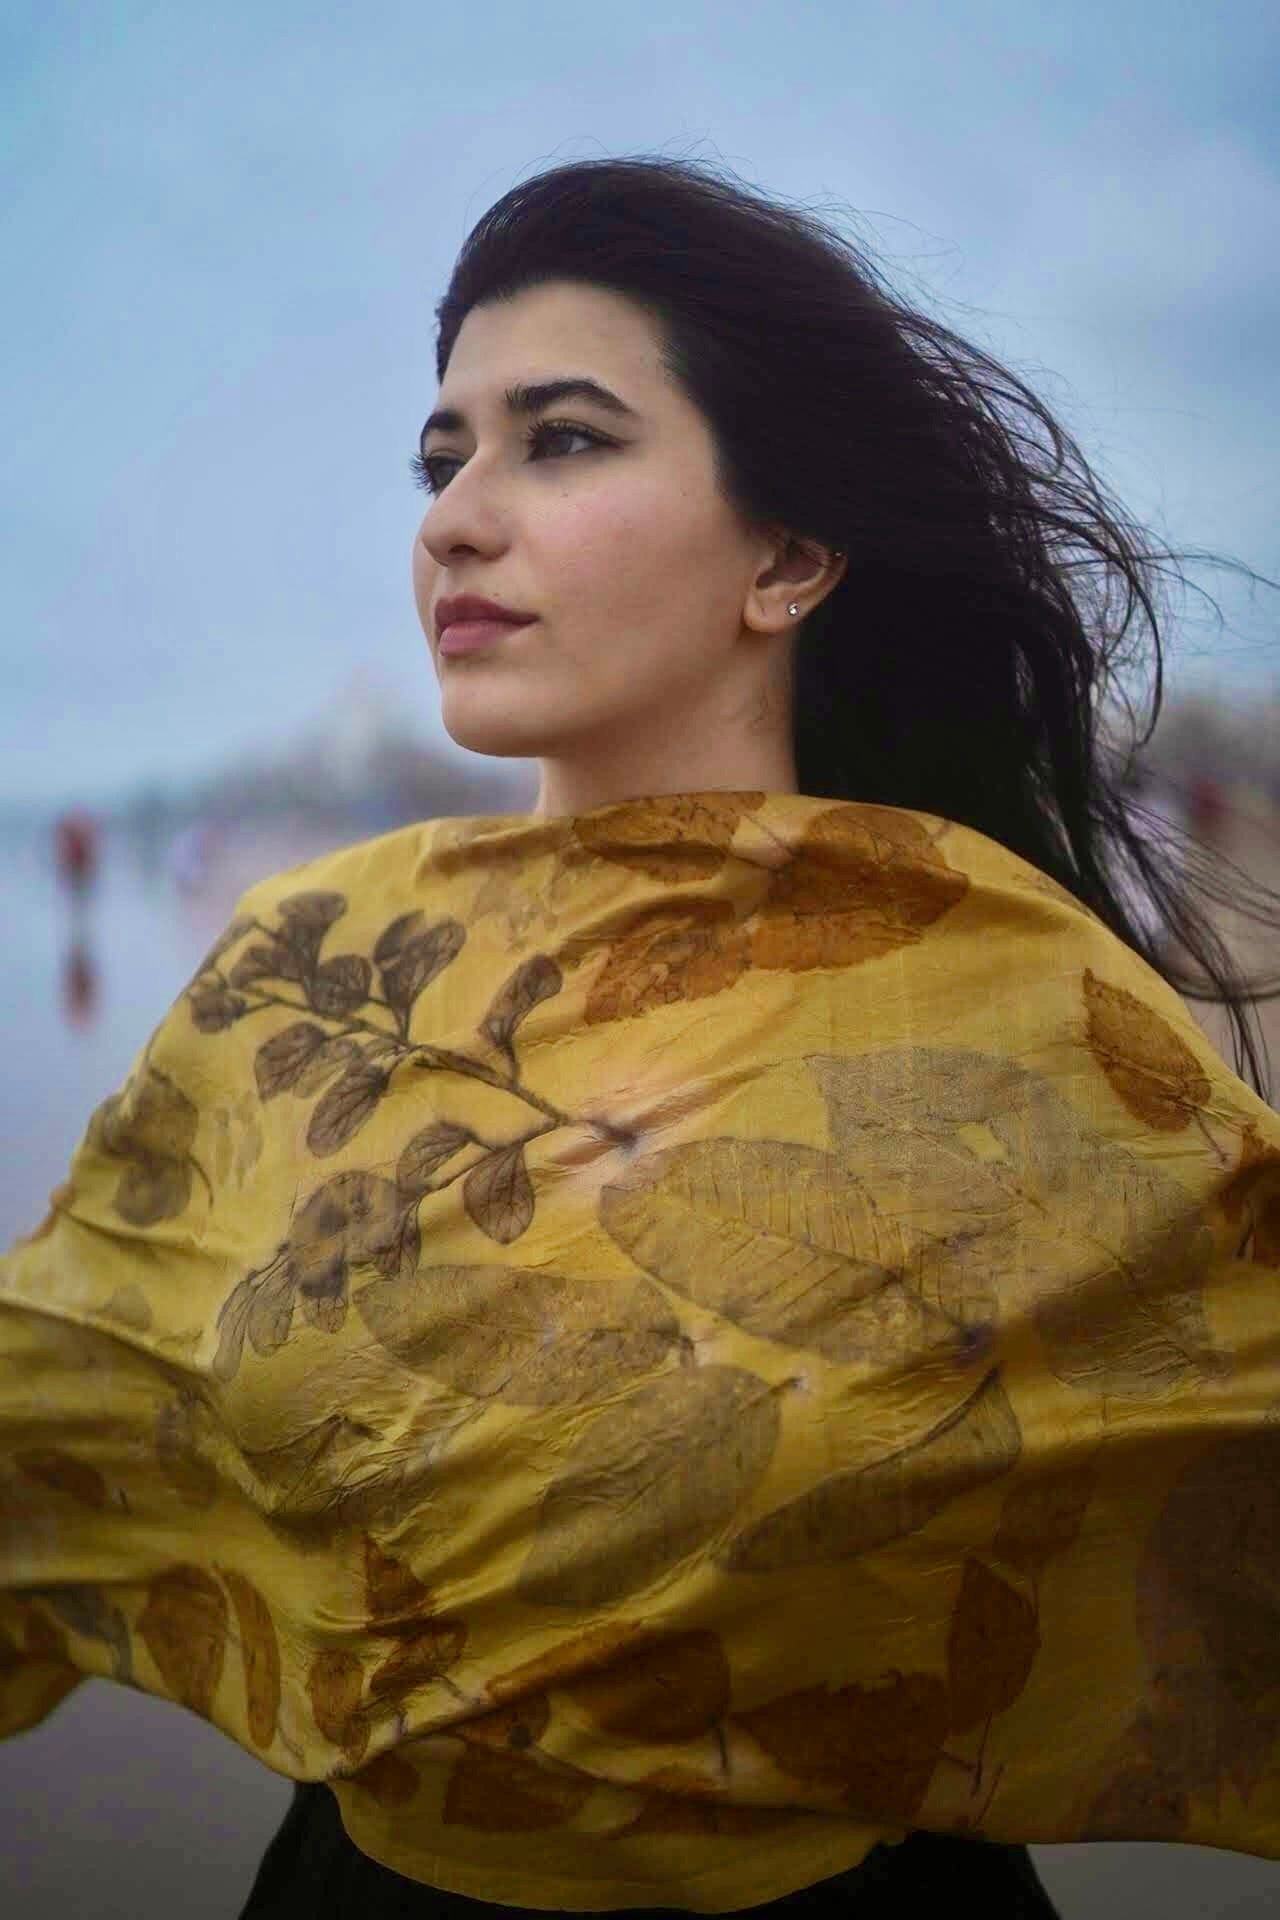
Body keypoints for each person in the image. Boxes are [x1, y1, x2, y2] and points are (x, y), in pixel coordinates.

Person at [3, 155, 1280, 1920]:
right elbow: (70, 1394)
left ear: (790, 551)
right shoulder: (309, 967)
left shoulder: (995, 992)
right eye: (441, 456)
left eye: (565, 439)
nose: (455, 515)